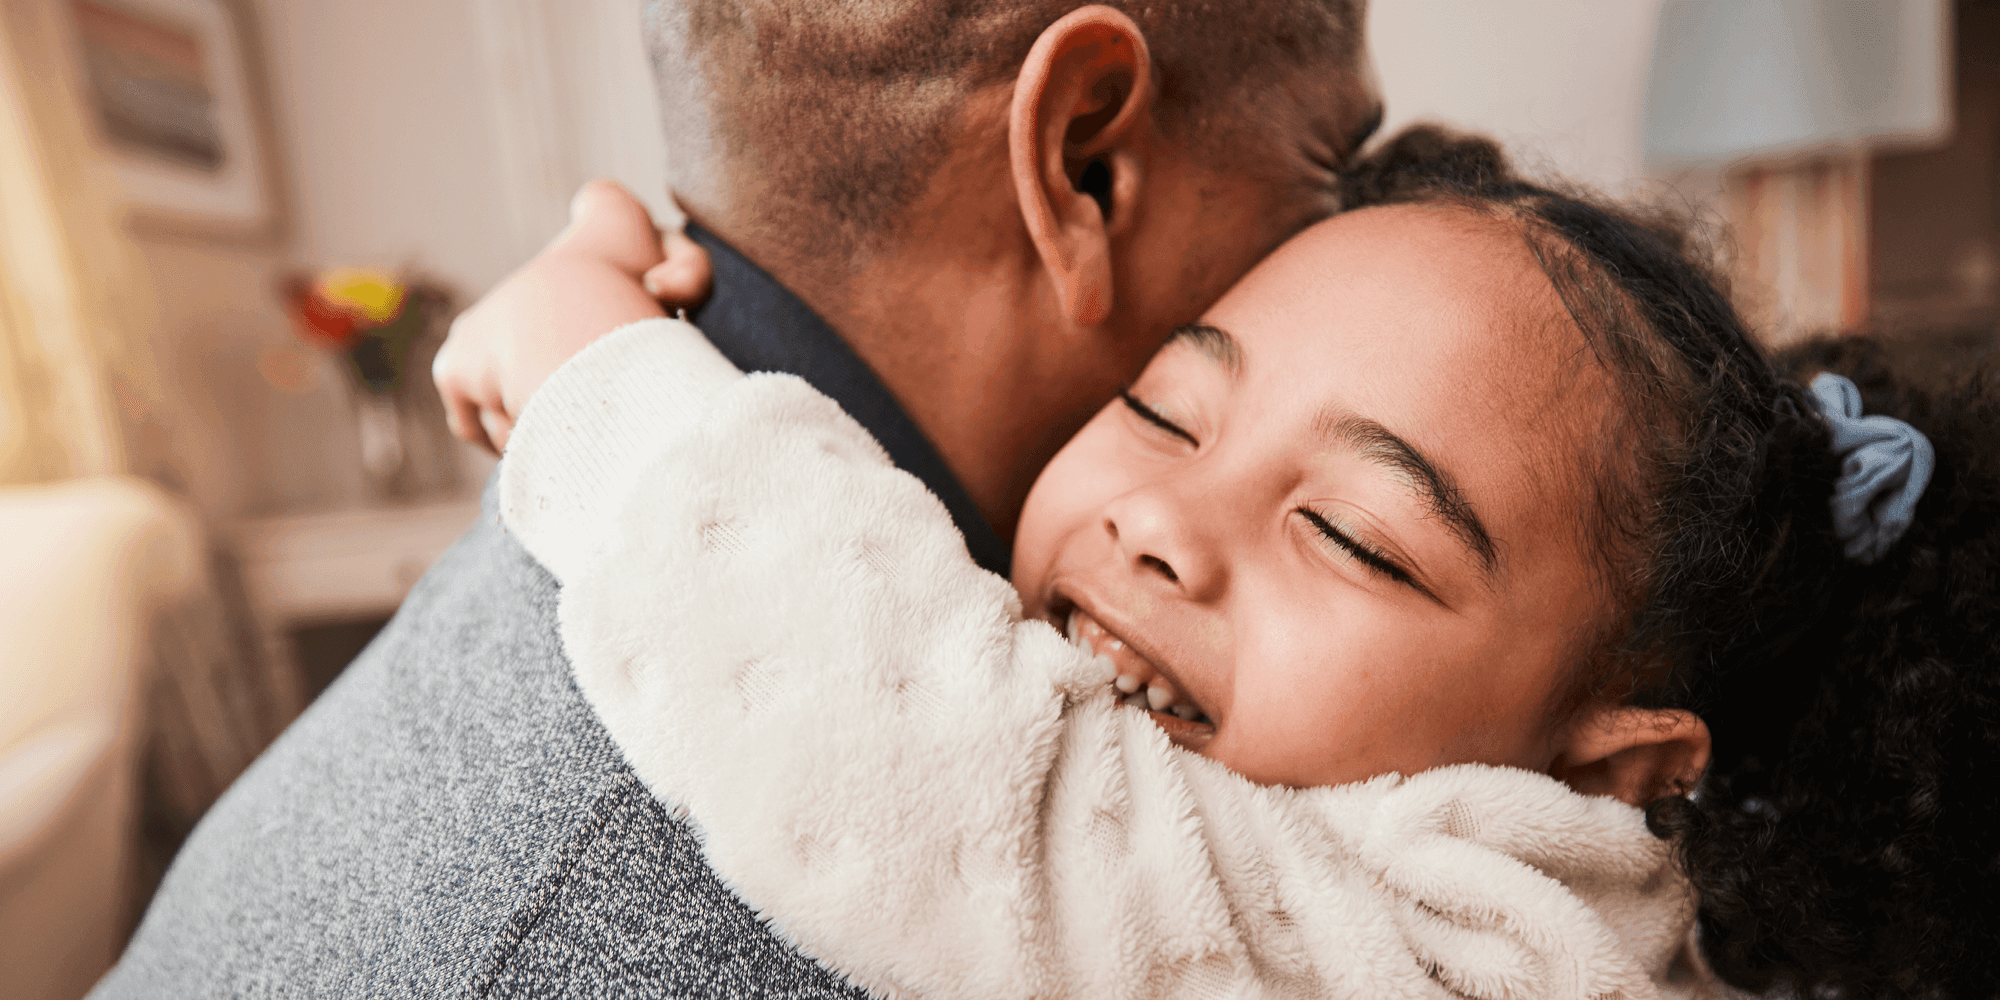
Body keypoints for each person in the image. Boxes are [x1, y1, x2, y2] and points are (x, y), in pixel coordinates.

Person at [458, 128, 2000, 999]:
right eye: (1161, 409)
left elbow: (933, 766)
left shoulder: (1498, 961)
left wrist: (598, 368)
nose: (1158, 523)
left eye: (1347, 534)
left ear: (1607, 777)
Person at [92, 3, 1380, 997]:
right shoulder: (863, 906)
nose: (1367, 235)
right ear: (1082, 164)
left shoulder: (621, 512)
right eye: (1338, 160)